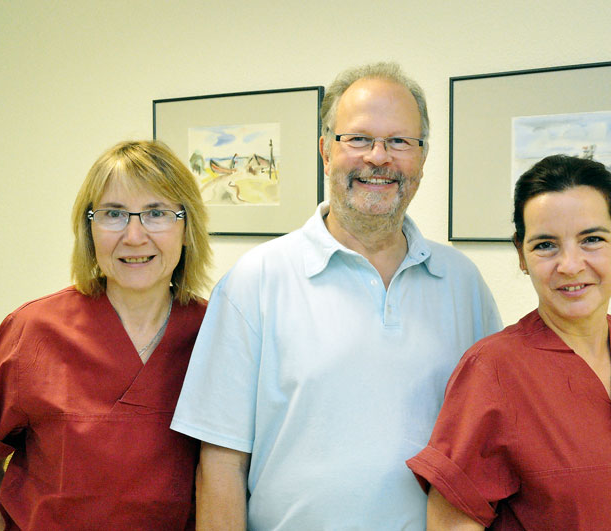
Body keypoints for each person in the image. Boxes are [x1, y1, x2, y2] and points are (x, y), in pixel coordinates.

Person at [171, 62, 502, 529]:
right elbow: (222, 464)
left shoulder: (463, 284)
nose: (379, 158)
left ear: (423, 158)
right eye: (360, 139)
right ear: (326, 150)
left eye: (400, 142)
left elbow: (489, 448)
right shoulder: (256, 281)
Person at [407, 154, 611, 530]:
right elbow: (451, 524)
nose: (570, 265)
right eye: (546, 245)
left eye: (592, 239)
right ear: (521, 254)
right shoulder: (492, 370)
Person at [0, 140, 212, 530]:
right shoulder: (34, 330)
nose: (135, 236)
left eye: (157, 213)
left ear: (187, 229)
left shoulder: (216, 332)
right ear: (89, 230)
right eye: (113, 214)